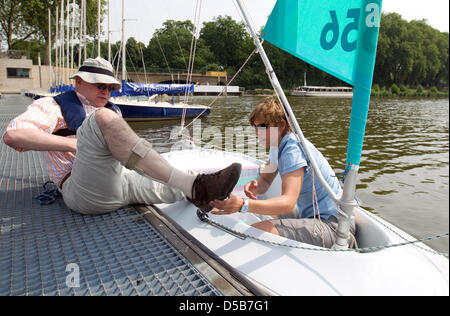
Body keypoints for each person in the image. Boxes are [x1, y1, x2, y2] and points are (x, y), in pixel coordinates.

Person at [2, 57, 241, 215]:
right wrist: (73, 144)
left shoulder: (110, 108)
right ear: (79, 82)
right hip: (83, 190)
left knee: (183, 177)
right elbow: (13, 136)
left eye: (111, 87)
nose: (106, 91)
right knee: (103, 118)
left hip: (121, 182)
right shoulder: (52, 106)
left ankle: (219, 197)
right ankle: (195, 186)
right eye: (100, 86)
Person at [209, 97, 355, 248]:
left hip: (335, 227)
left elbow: (287, 203)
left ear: (281, 125)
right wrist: (256, 185)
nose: (257, 132)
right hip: (311, 216)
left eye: (262, 126)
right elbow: (265, 181)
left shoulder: (293, 149)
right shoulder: (277, 145)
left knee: (253, 231)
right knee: (266, 216)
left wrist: (243, 205)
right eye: (255, 127)